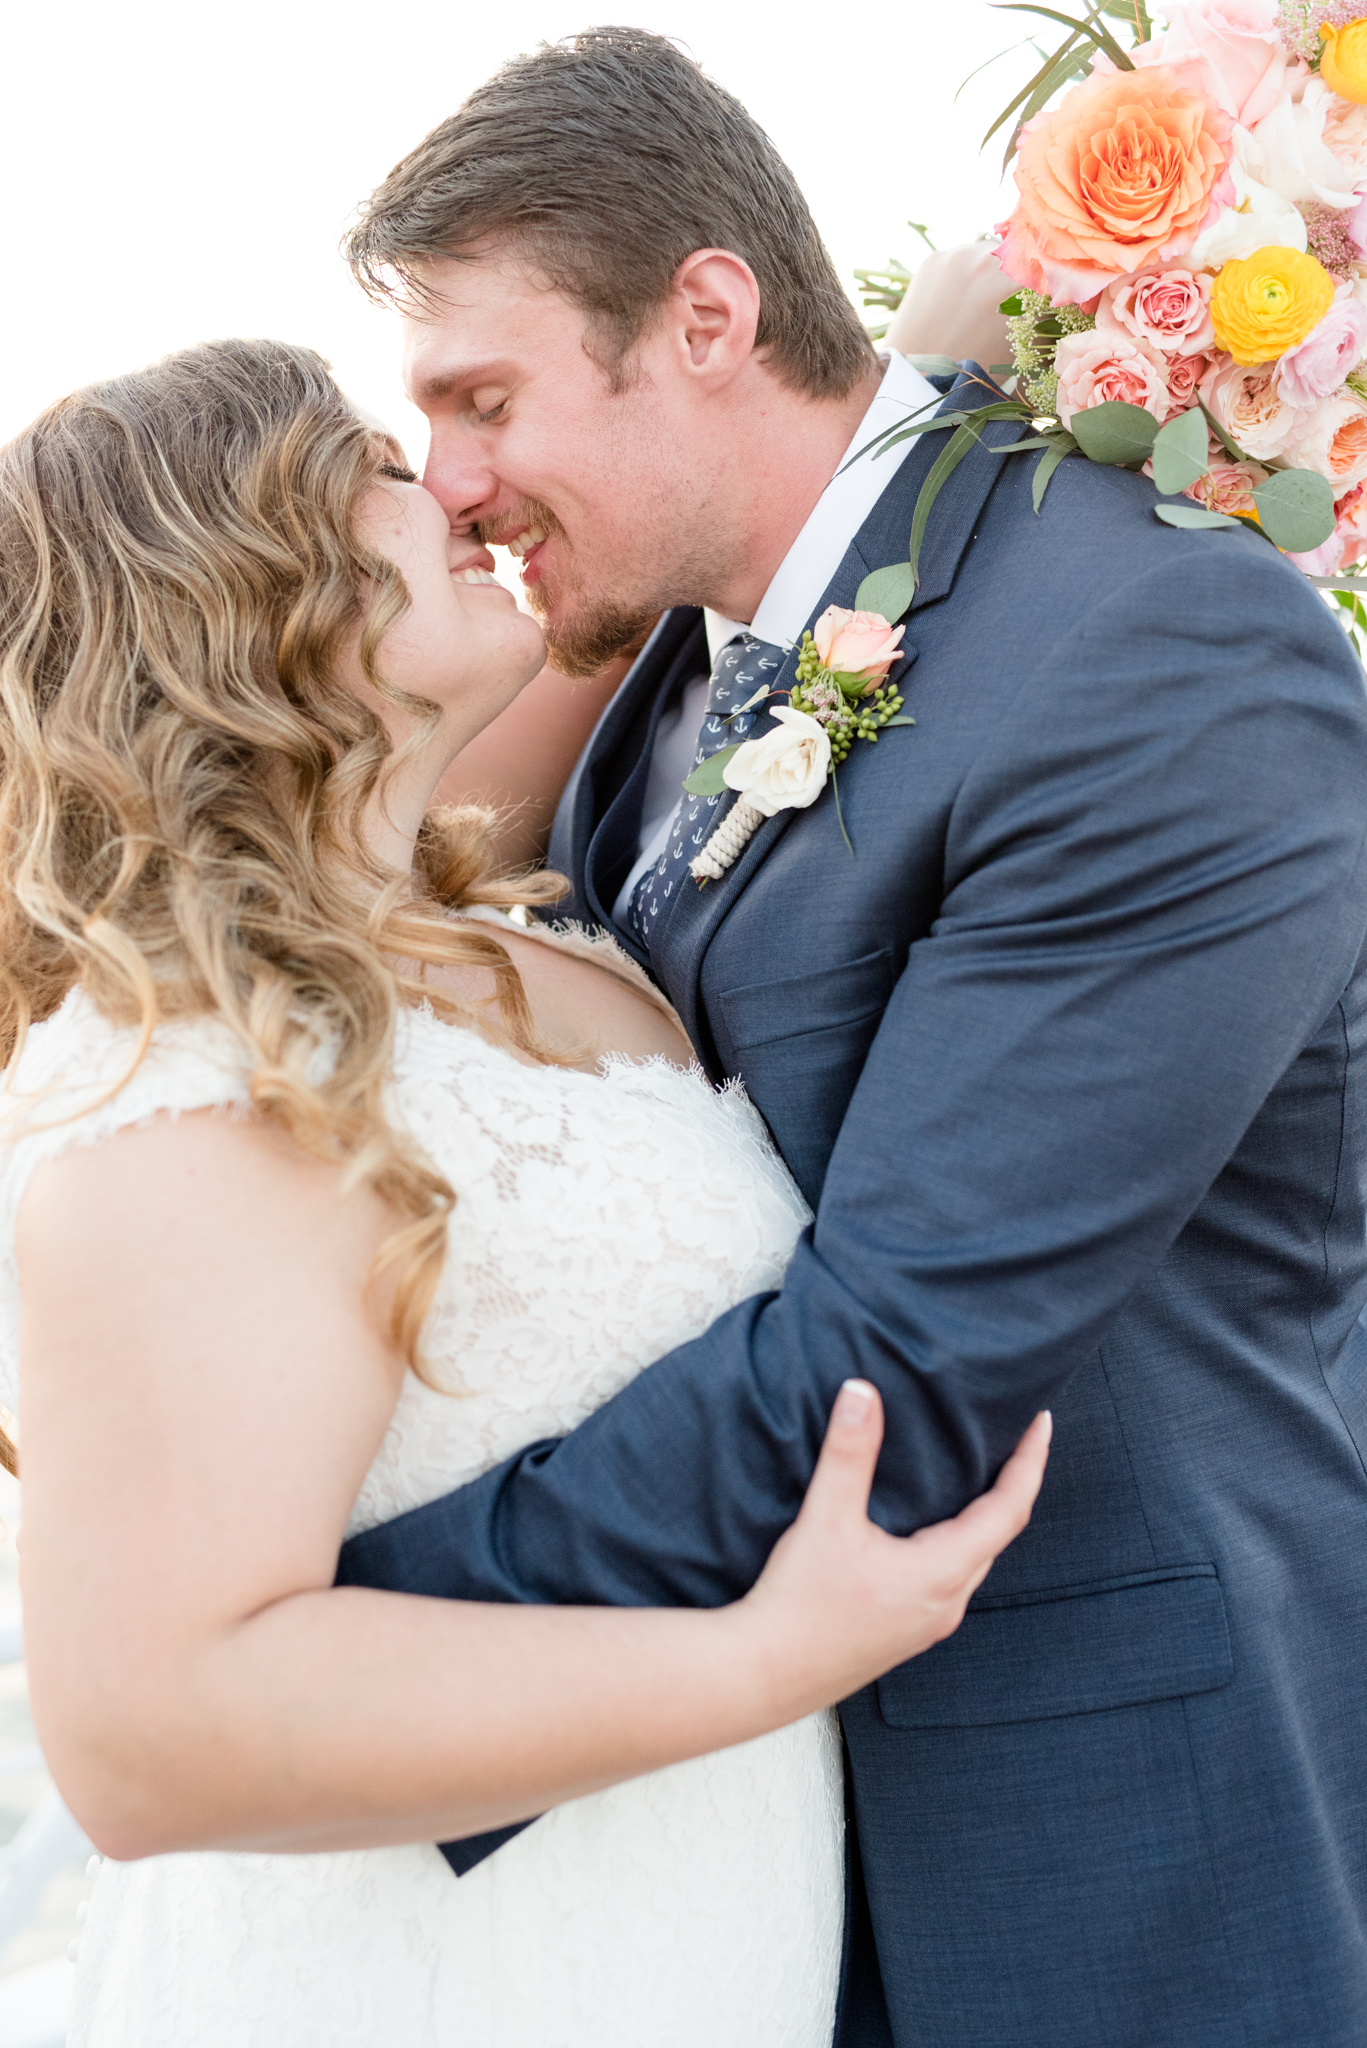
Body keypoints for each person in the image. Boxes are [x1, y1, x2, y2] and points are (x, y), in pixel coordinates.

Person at [336, 27, 1367, 2048]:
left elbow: (895, 1357)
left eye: (480, 396)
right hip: (753, 1846)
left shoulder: (1155, 652)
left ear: (707, 316)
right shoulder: (686, 667)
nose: (446, 481)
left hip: (1111, 1841)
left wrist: (320, 1655)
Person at [0, 338, 1050, 2047]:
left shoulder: (491, 921)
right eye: (382, 465)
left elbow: (662, 572)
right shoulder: (193, 1068)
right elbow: (145, 1736)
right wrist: (762, 1663)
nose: (457, 488)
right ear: (240, 572)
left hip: (688, 1936)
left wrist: (915, 358)